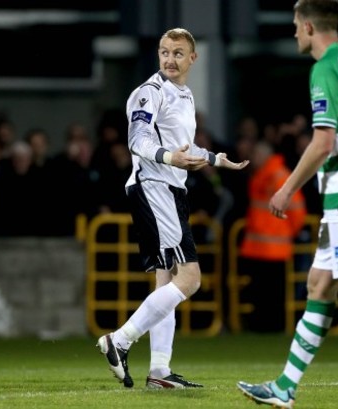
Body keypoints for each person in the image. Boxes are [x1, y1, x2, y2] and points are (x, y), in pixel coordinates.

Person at [236, 1, 338, 408]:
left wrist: (285, 189)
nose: (294, 34)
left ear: (309, 26)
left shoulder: (326, 68)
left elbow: (323, 142)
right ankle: (285, 387)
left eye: (296, 27)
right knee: (320, 283)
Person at [96, 28, 249, 389]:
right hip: (155, 186)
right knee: (190, 278)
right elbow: (138, 139)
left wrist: (215, 159)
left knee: (165, 280)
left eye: (178, 53)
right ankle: (119, 340)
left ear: (193, 58)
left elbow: (184, 146)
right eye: (164, 52)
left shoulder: (183, 94)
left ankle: (159, 373)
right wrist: (170, 158)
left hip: (167, 187)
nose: (169, 59)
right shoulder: (150, 92)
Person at [239, 140, 307, 332]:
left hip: (270, 247)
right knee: (264, 293)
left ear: (265, 156)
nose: (253, 158)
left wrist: (286, 233)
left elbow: (296, 210)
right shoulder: (266, 175)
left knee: (270, 293)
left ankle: (268, 327)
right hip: (263, 247)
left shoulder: (276, 176)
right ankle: (265, 327)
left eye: (256, 155)